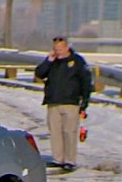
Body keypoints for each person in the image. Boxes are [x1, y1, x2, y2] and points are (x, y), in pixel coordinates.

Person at [34, 36, 92, 172]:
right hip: (53, 102)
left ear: (67, 47)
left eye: (60, 49)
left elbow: (86, 82)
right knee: (55, 132)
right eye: (56, 49)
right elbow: (40, 73)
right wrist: (49, 60)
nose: (58, 51)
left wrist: (84, 101)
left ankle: (70, 160)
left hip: (71, 102)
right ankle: (58, 159)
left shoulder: (77, 61)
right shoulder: (52, 62)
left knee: (69, 132)